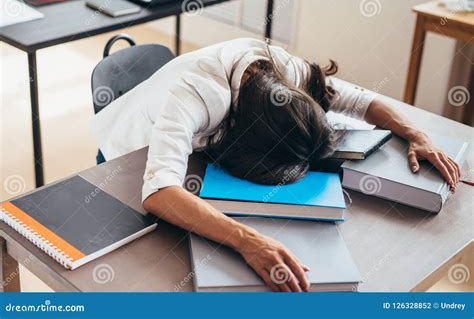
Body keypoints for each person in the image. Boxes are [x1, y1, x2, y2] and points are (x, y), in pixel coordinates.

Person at [90, 38, 460, 292]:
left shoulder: (286, 76)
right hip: (128, 155)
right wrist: (246, 240)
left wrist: (417, 134)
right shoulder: (197, 95)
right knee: (151, 272)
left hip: (193, 151)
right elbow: (158, 191)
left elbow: (360, 101)